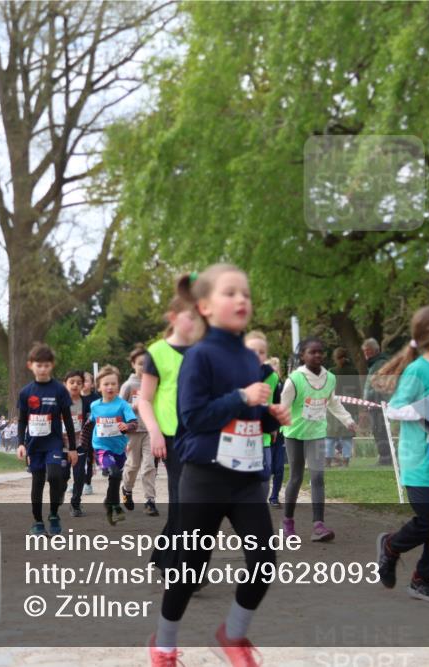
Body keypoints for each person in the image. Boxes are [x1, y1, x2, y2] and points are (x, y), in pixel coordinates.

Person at [149, 264, 290, 667]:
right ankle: (163, 644)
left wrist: (268, 416)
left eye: (246, 293)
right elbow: (192, 419)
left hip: (245, 479)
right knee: (189, 571)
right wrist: (242, 398)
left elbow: (248, 416)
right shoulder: (199, 357)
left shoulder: (249, 359)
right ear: (206, 307)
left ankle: (232, 633)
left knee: (264, 561)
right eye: (231, 293)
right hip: (205, 477)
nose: (242, 299)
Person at [375, 304, 429, 604]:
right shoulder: (417, 370)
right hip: (419, 462)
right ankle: (390, 547)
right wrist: (426, 407)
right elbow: (395, 408)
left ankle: (422, 579)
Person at [141, 281, 205, 571]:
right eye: (190, 316)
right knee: (184, 499)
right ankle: (185, 567)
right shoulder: (157, 353)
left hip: (201, 435)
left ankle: (164, 557)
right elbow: (145, 399)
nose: (196, 322)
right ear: (173, 318)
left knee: (196, 501)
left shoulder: (204, 351)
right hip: (171, 436)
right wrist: (154, 432)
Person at [280, 336, 356, 542]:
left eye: (320, 352)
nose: (317, 355)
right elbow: (283, 407)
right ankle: (288, 522)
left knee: (318, 477)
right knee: (296, 477)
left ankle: (318, 525)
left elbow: (333, 402)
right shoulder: (294, 379)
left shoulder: (330, 378)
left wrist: (347, 420)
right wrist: (273, 427)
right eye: (312, 352)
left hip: (317, 434)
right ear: (303, 355)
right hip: (295, 433)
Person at [15, 343, 77, 536]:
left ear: (52, 365)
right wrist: (20, 443)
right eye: (38, 365)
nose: (42, 369)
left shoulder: (59, 390)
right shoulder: (26, 392)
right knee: (38, 481)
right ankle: (38, 521)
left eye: (46, 365)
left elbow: (67, 419)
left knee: (55, 476)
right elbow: (22, 420)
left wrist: (73, 448)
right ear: (30, 365)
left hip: (54, 443)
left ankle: (53, 513)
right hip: (34, 445)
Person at [87, 364, 138, 525]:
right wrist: (82, 444)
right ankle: (115, 505)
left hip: (119, 448)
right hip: (101, 448)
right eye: (106, 384)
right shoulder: (95, 406)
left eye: (113, 384)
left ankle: (109, 503)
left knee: (115, 478)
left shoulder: (123, 405)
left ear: (118, 385)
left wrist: (127, 426)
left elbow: (134, 423)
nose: (110, 387)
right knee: (114, 472)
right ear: (99, 387)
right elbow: (90, 424)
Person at [121, 344, 158, 516]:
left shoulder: (154, 383)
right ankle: (126, 490)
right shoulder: (128, 385)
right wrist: (133, 406)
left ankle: (150, 501)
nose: (144, 367)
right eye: (140, 363)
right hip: (133, 432)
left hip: (150, 430)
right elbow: (118, 407)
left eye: (147, 363)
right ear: (133, 365)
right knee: (133, 466)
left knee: (149, 466)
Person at [244, 331, 281, 495]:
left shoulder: (272, 377)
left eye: (261, 352)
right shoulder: (235, 373)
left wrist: (274, 425)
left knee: (264, 477)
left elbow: (275, 403)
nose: (257, 355)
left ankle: (260, 507)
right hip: (239, 437)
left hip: (263, 436)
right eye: (252, 351)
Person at [64, 370, 91, 517]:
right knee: (62, 475)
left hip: (80, 444)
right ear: (65, 384)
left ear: (82, 385)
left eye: (79, 383)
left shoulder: (86, 403)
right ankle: (61, 489)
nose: (75, 385)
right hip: (61, 445)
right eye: (72, 382)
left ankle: (75, 503)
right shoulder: (59, 402)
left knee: (79, 474)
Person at [362, 338, 393, 465]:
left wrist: (368, 400)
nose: (366, 354)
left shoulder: (380, 363)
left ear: (376, 350)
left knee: (380, 430)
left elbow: (376, 385)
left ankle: (386, 458)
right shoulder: (375, 364)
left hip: (379, 403)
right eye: (365, 351)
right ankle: (385, 457)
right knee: (378, 430)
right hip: (375, 404)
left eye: (368, 351)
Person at [325, 347, 358, 467]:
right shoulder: (353, 371)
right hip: (349, 407)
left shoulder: (331, 372)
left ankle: (328, 461)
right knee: (346, 437)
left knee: (330, 436)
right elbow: (358, 391)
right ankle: (345, 461)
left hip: (333, 408)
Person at [264, 357, 287, 507]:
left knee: (279, 467)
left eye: (277, 367)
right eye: (272, 367)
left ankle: (274, 497)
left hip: (281, 432)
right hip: (265, 433)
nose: (275, 370)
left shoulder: (285, 386)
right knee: (266, 467)